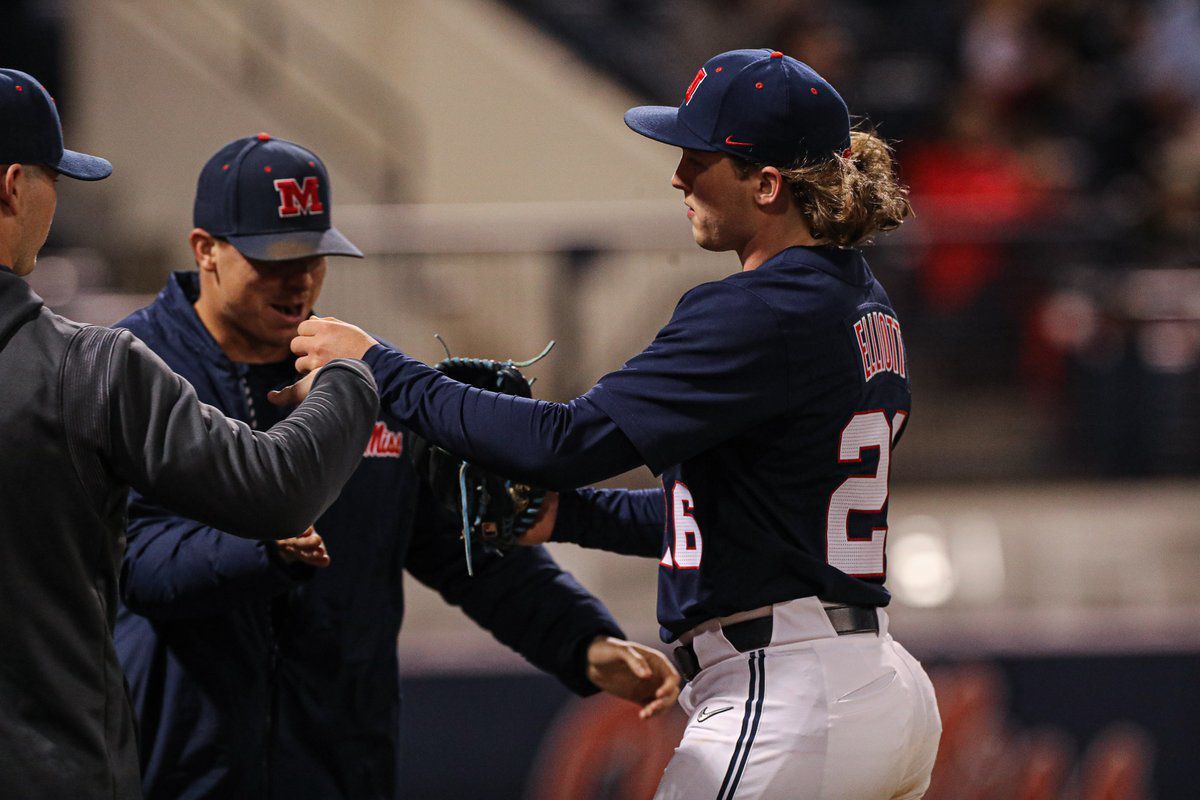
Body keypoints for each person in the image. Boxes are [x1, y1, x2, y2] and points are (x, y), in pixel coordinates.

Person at [284, 49, 943, 798]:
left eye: (701, 157)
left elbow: (564, 443)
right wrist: (571, 517)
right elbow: (738, 520)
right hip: (870, 683)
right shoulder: (861, 300)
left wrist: (383, 369)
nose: (678, 175)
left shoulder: (759, 310)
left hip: (787, 691)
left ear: (767, 185)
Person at [113, 134, 680, 800]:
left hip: (340, 760)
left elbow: (461, 539)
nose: (300, 279)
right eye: (273, 259)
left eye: (314, 256)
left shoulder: (355, 379)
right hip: (181, 764)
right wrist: (259, 549)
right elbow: (134, 562)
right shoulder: (131, 371)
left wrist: (579, 641)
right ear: (205, 249)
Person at [0, 70, 379, 800]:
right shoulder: (89, 368)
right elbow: (279, 488)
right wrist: (352, 377)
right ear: (15, 186)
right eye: (54, 178)